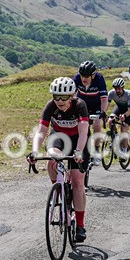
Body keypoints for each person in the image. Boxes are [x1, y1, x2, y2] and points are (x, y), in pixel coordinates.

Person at [28, 77, 91, 242]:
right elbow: (41, 131)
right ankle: (59, 188)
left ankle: (80, 224)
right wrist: (34, 151)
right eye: (56, 96)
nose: (60, 101)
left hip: (79, 141)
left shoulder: (80, 106)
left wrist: (78, 151)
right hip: (59, 139)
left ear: (72, 95)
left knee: (78, 182)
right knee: (52, 160)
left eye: (64, 97)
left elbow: (84, 131)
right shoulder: (50, 106)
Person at [73, 60, 108, 165]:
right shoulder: (76, 78)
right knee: (81, 127)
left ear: (93, 75)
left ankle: (97, 151)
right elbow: (71, 95)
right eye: (82, 75)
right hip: (83, 105)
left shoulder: (99, 79)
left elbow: (104, 99)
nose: (83, 79)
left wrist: (103, 112)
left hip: (96, 105)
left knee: (97, 124)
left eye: (86, 76)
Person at [107, 77, 130, 152]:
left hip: (129, 110)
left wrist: (124, 115)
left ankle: (125, 150)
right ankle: (115, 139)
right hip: (119, 108)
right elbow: (106, 105)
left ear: (122, 87)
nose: (117, 90)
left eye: (119, 88)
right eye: (115, 88)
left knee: (123, 129)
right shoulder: (111, 93)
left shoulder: (129, 94)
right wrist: (103, 113)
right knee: (110, 121)